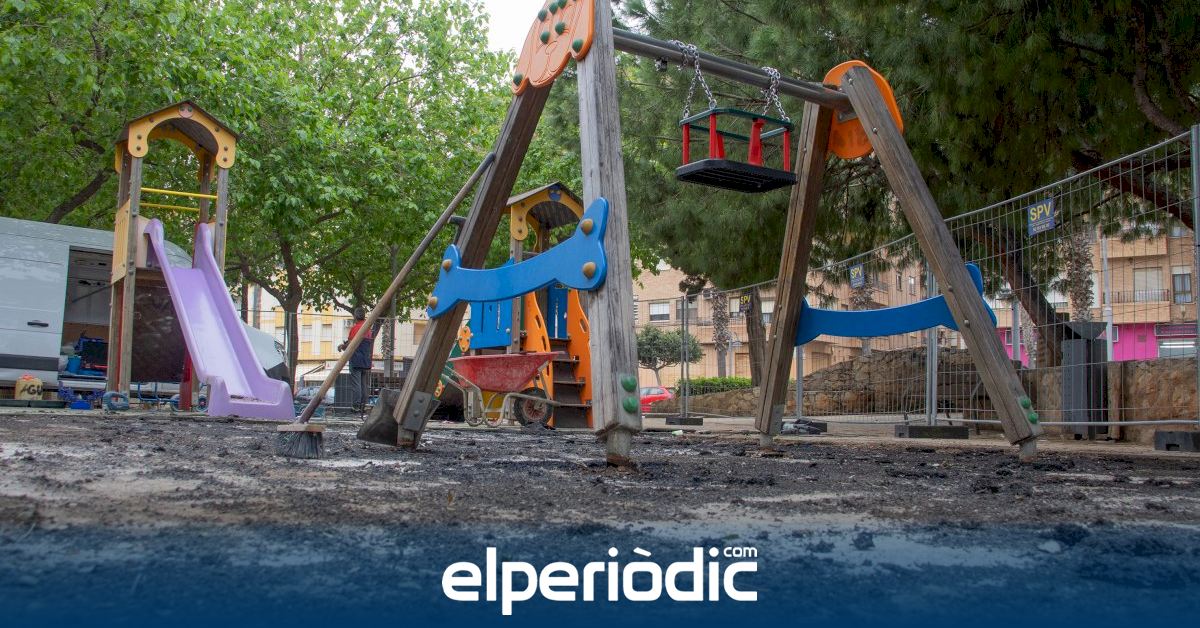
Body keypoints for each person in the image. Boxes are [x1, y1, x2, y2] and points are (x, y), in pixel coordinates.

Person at [338, 306, 381, 412]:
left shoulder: (355, 328)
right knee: (363, 384)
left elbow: (350, 344)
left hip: (356, 360)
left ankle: (356, 406)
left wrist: (342, 346)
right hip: (366, 360)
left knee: (356, 384)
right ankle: (364, 405)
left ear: (355, 316)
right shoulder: (368, 329)